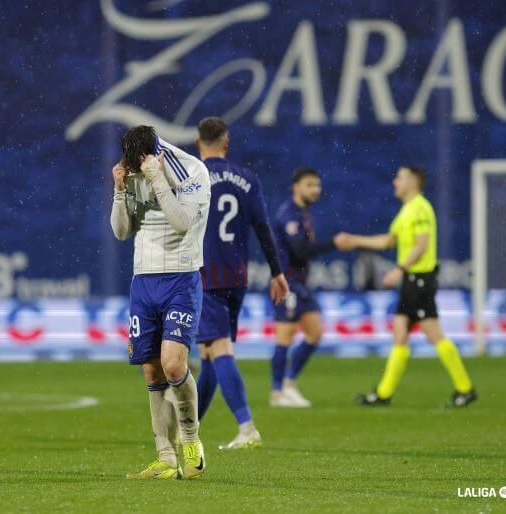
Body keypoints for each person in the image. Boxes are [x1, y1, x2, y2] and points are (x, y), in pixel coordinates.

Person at [110, 125, 211, 479]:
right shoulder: (133, 168)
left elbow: (182, 224)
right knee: (151, 370)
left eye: (139, 166)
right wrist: (120, 191)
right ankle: (165, 457)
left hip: (181, 278)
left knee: (172, 365)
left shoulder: (192, 170)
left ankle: (191, 441)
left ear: (152, 155)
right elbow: (122, 232)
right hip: (144, 280)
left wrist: (157, 180)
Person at [338, 165, 477, 407]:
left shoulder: (420, 208)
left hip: (419, 280)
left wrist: (398, 270)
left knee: (433, 333)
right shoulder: (407, 210)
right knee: (400, 334)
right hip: (412, 281)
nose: (395, 182)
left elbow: (422, 244)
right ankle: (383, 394)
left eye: (400, 177)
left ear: (413, 182)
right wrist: (355, 240)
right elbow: (389, 241)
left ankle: (465, 389)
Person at [193, 117, 289, 450]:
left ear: (197, 142)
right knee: (207, 354)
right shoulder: (248, 179)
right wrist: (277, 272)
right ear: (227, 142)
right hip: (236, 277)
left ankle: (247, 427)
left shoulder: (193, 176)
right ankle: (188, 431)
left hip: (205, 276)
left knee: (219, 349)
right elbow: (263, 228)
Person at [270, 168, 350, 407]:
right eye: (309, 185)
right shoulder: (290, 215)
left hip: (300, 284)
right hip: (286, 283)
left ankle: (289, 383)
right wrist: (333, 244)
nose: (315, 189)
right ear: (296, 186)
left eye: (317, 185)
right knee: (285, 337)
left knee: (315, 332)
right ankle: (277, 393)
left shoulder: (303, 213)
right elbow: (299, 252)